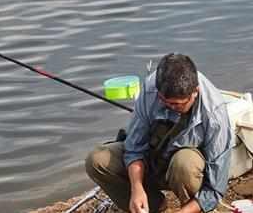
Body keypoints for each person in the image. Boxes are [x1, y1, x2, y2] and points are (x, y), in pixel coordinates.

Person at [85, 53, 232, 213]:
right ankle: (152, 205)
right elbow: (134, 149)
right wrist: (137, 189)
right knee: (97, 160)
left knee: (184, 164)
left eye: (177, 104)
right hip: (154, 158)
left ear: (194, 92)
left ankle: (190, 208)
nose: (170, 107)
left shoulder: (214, 113)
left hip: (185, 169)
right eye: (164, 101)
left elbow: (215, 188)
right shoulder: (151, 89)